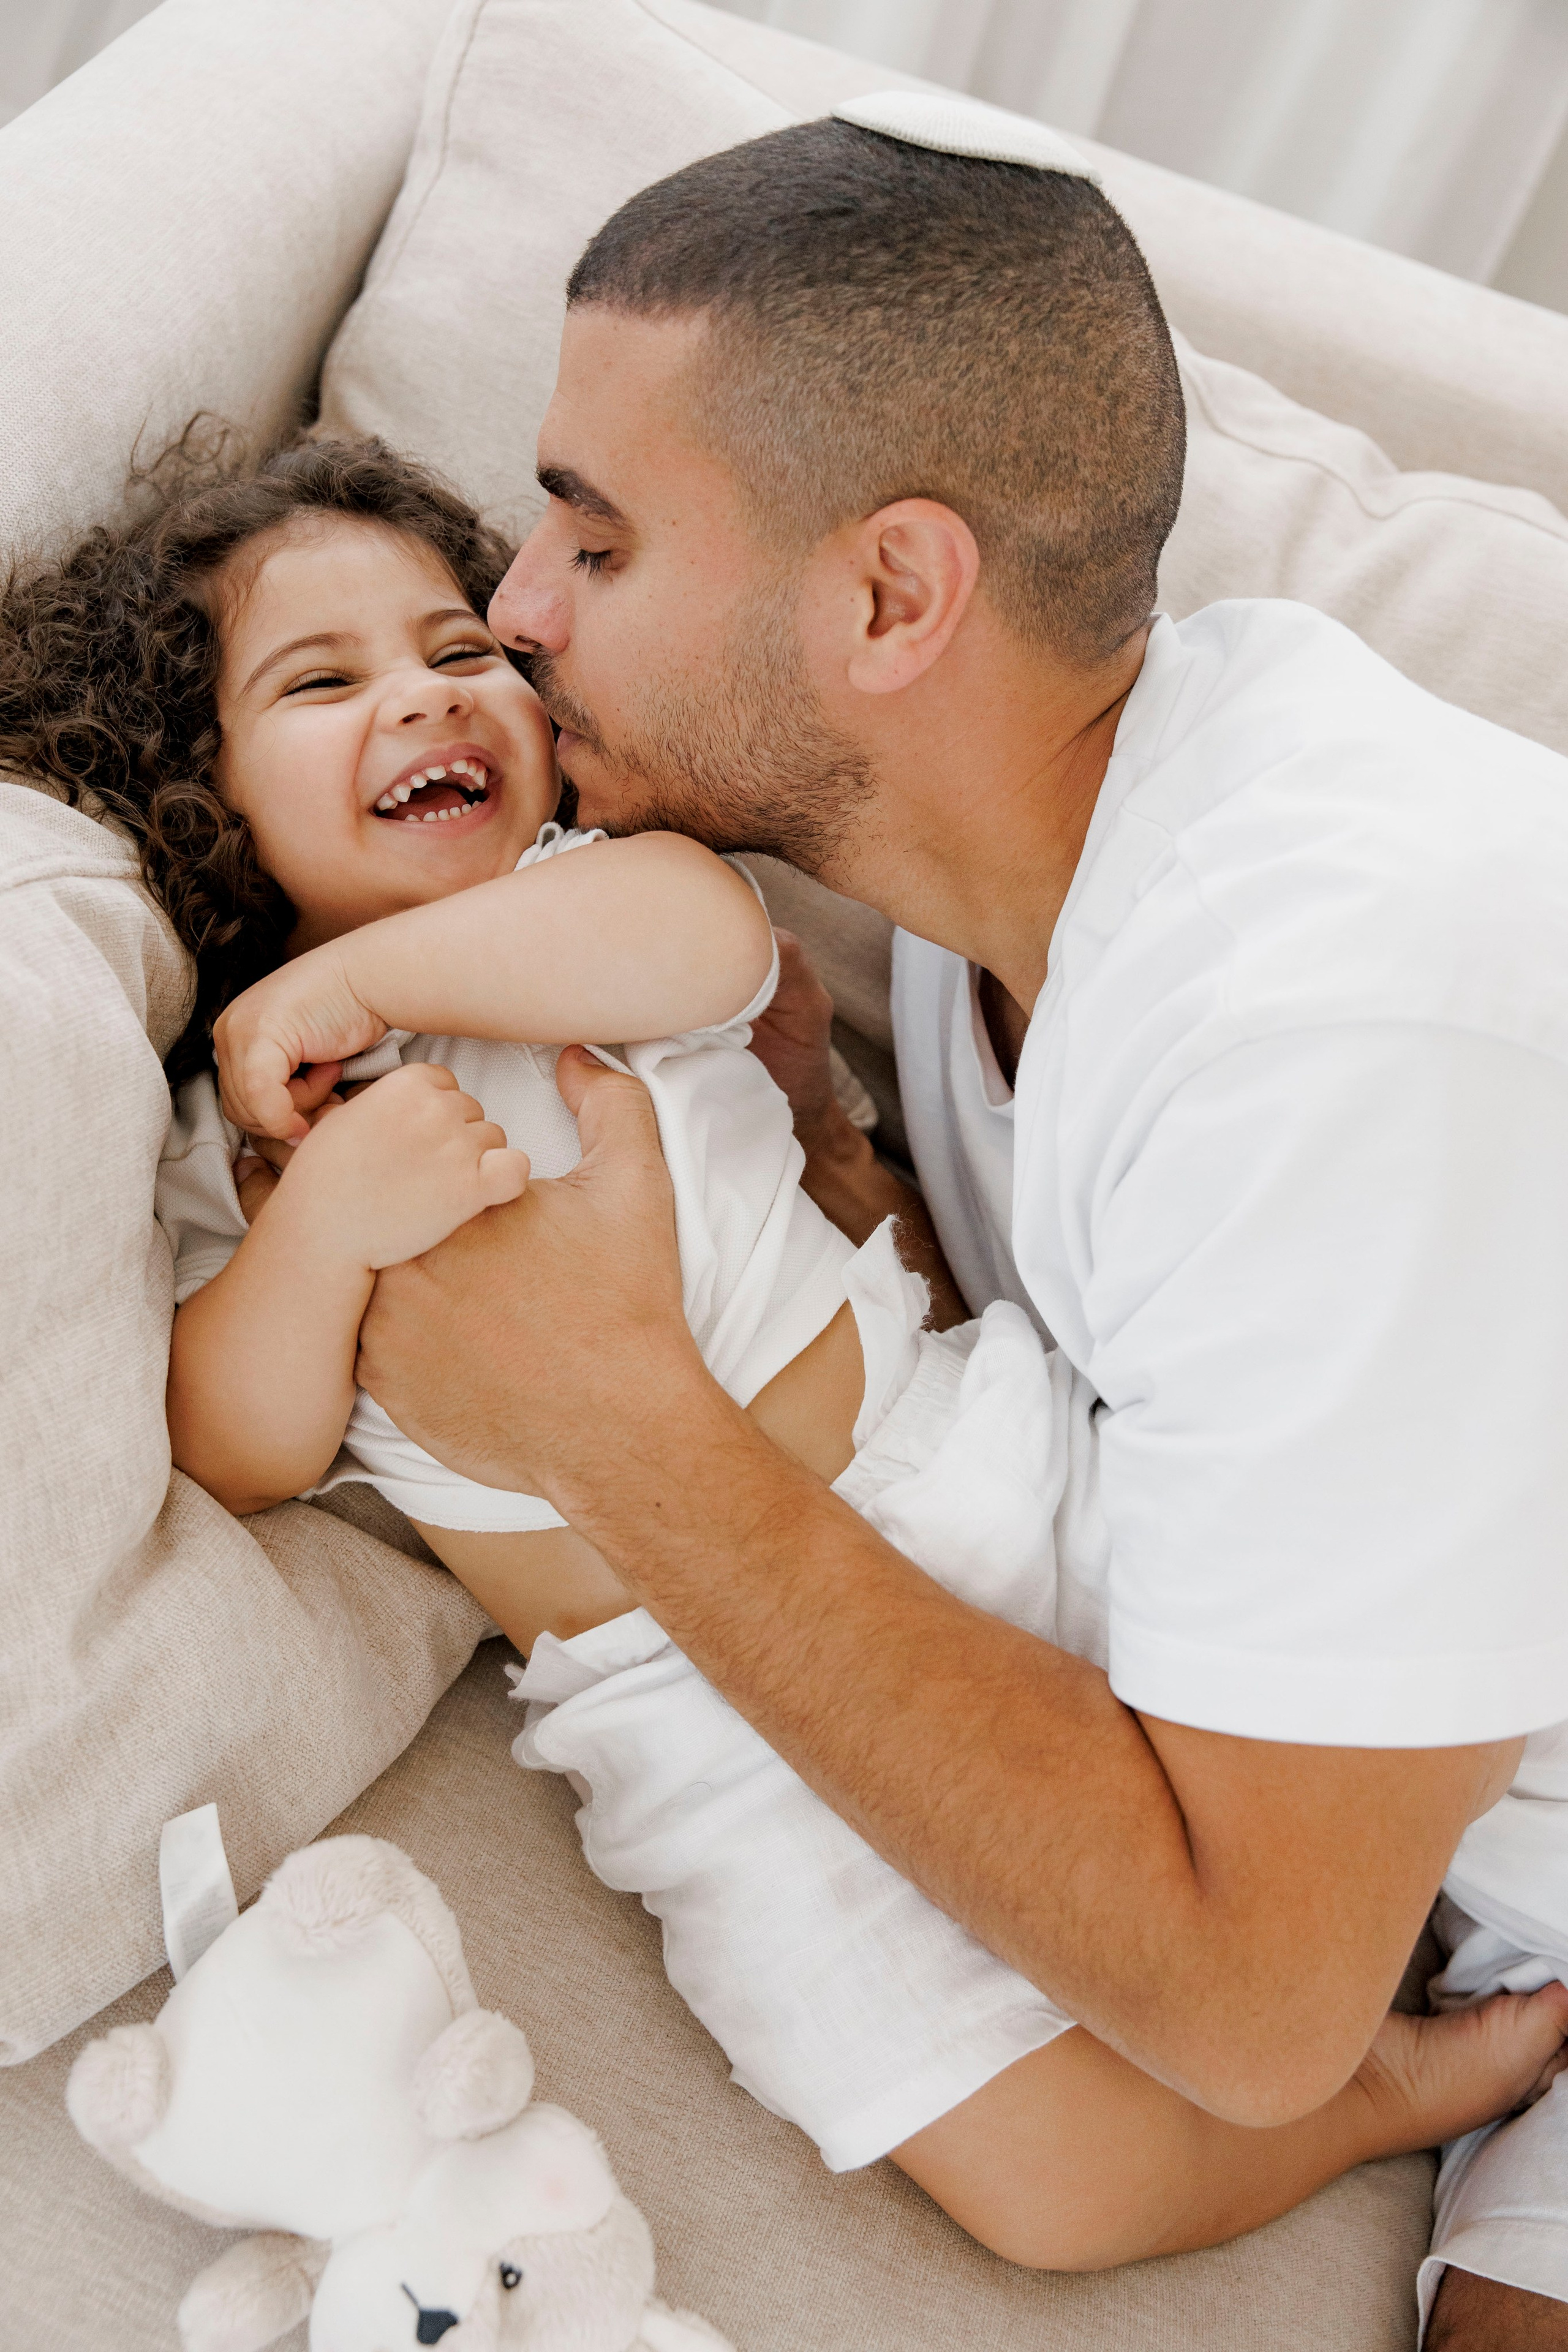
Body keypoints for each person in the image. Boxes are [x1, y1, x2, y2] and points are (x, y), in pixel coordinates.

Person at [9, 429, 1534, 2251]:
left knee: (1331, 1714)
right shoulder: (235, 1137)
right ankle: (1391, 2095)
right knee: (1056, 2194)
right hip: (680, 1715)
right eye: (322, 684)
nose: (424, 696)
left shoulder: (586, 900)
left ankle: (1409, 1910)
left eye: (461, 648)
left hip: (973, 1462)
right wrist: (323, 1225)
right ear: (203, 797)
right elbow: (235, 1446)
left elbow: (710, 949)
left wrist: (366, 980)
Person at [337, 108, 1568, 2348]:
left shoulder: (1336, 1019)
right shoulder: (990, 900)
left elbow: (1254, 2008)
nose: (514, 608)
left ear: (894, 598)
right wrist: (835, 1170)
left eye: (597, 539)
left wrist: (616, 1429)